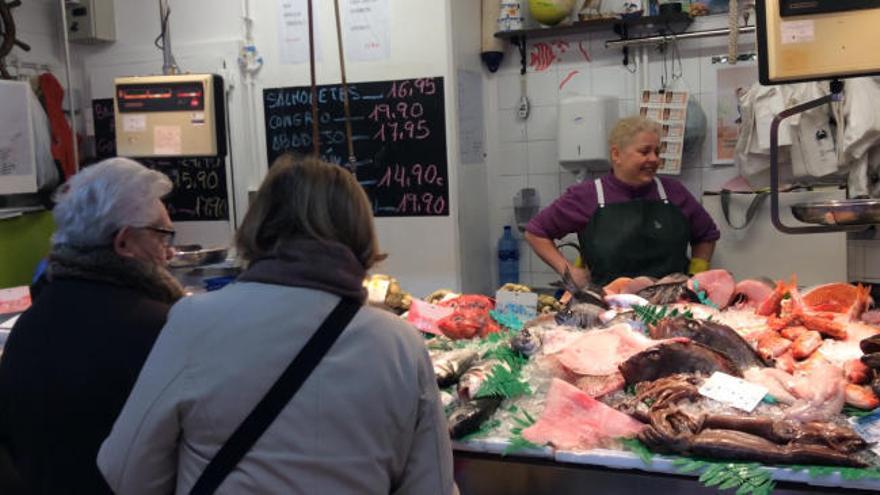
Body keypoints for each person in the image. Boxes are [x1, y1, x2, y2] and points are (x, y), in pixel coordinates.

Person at [97, 154, 456, 494]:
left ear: (259, 224)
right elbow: (433, 486)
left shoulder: (193, 321)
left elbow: (127, 472)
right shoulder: (400, 344)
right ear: (360, 234)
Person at [0, 157, 183, 494]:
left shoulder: (28, 325)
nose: (169, 252)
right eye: (162, 235)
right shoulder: (159, 329)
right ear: (123, 242)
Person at [525, 116, 720, 287]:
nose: (654, 159)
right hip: (609, 308)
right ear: (616, 154)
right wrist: (568, 270)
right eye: (645, 152)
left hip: (671, 307)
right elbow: (536, 232)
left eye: (657, 152)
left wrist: (697, 274)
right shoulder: (586, 196)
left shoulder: (673, 192)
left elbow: (706, 234)